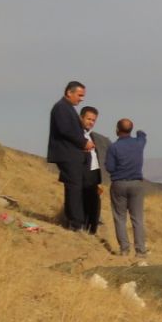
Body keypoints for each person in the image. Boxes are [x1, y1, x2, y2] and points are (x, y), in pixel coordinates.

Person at [46, 80, 92, 230]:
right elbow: (65, 130)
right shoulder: (61, 108)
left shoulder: (67, 108)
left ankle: (74, 220)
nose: (81, 99)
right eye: (79, 95)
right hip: (67, 154)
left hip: (71, 153)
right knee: (74, 187)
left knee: (74, 187)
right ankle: (75, 223)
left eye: (83, 96)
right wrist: (83, 142)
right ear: (69, 93)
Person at [105, 118, 147, 258]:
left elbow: (109, 167)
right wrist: (138, 132)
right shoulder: (138, 144)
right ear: (130, 130)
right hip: (136, 184)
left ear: (117, 130)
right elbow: (142, 135)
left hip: (119, 184)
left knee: (120, 218)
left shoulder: (113, 147)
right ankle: (140, 251)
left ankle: (124, 250)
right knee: (137, 219)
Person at [78, 106, 111, 235]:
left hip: (94, 174)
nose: (91, 122)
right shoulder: (77, 134)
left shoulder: (90, 135)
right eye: (88, 119)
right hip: (83, 173)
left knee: (95, 204)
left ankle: (91, 231)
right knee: (84, 202)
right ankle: (82, 229)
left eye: (93, 120)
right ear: (81, 118)